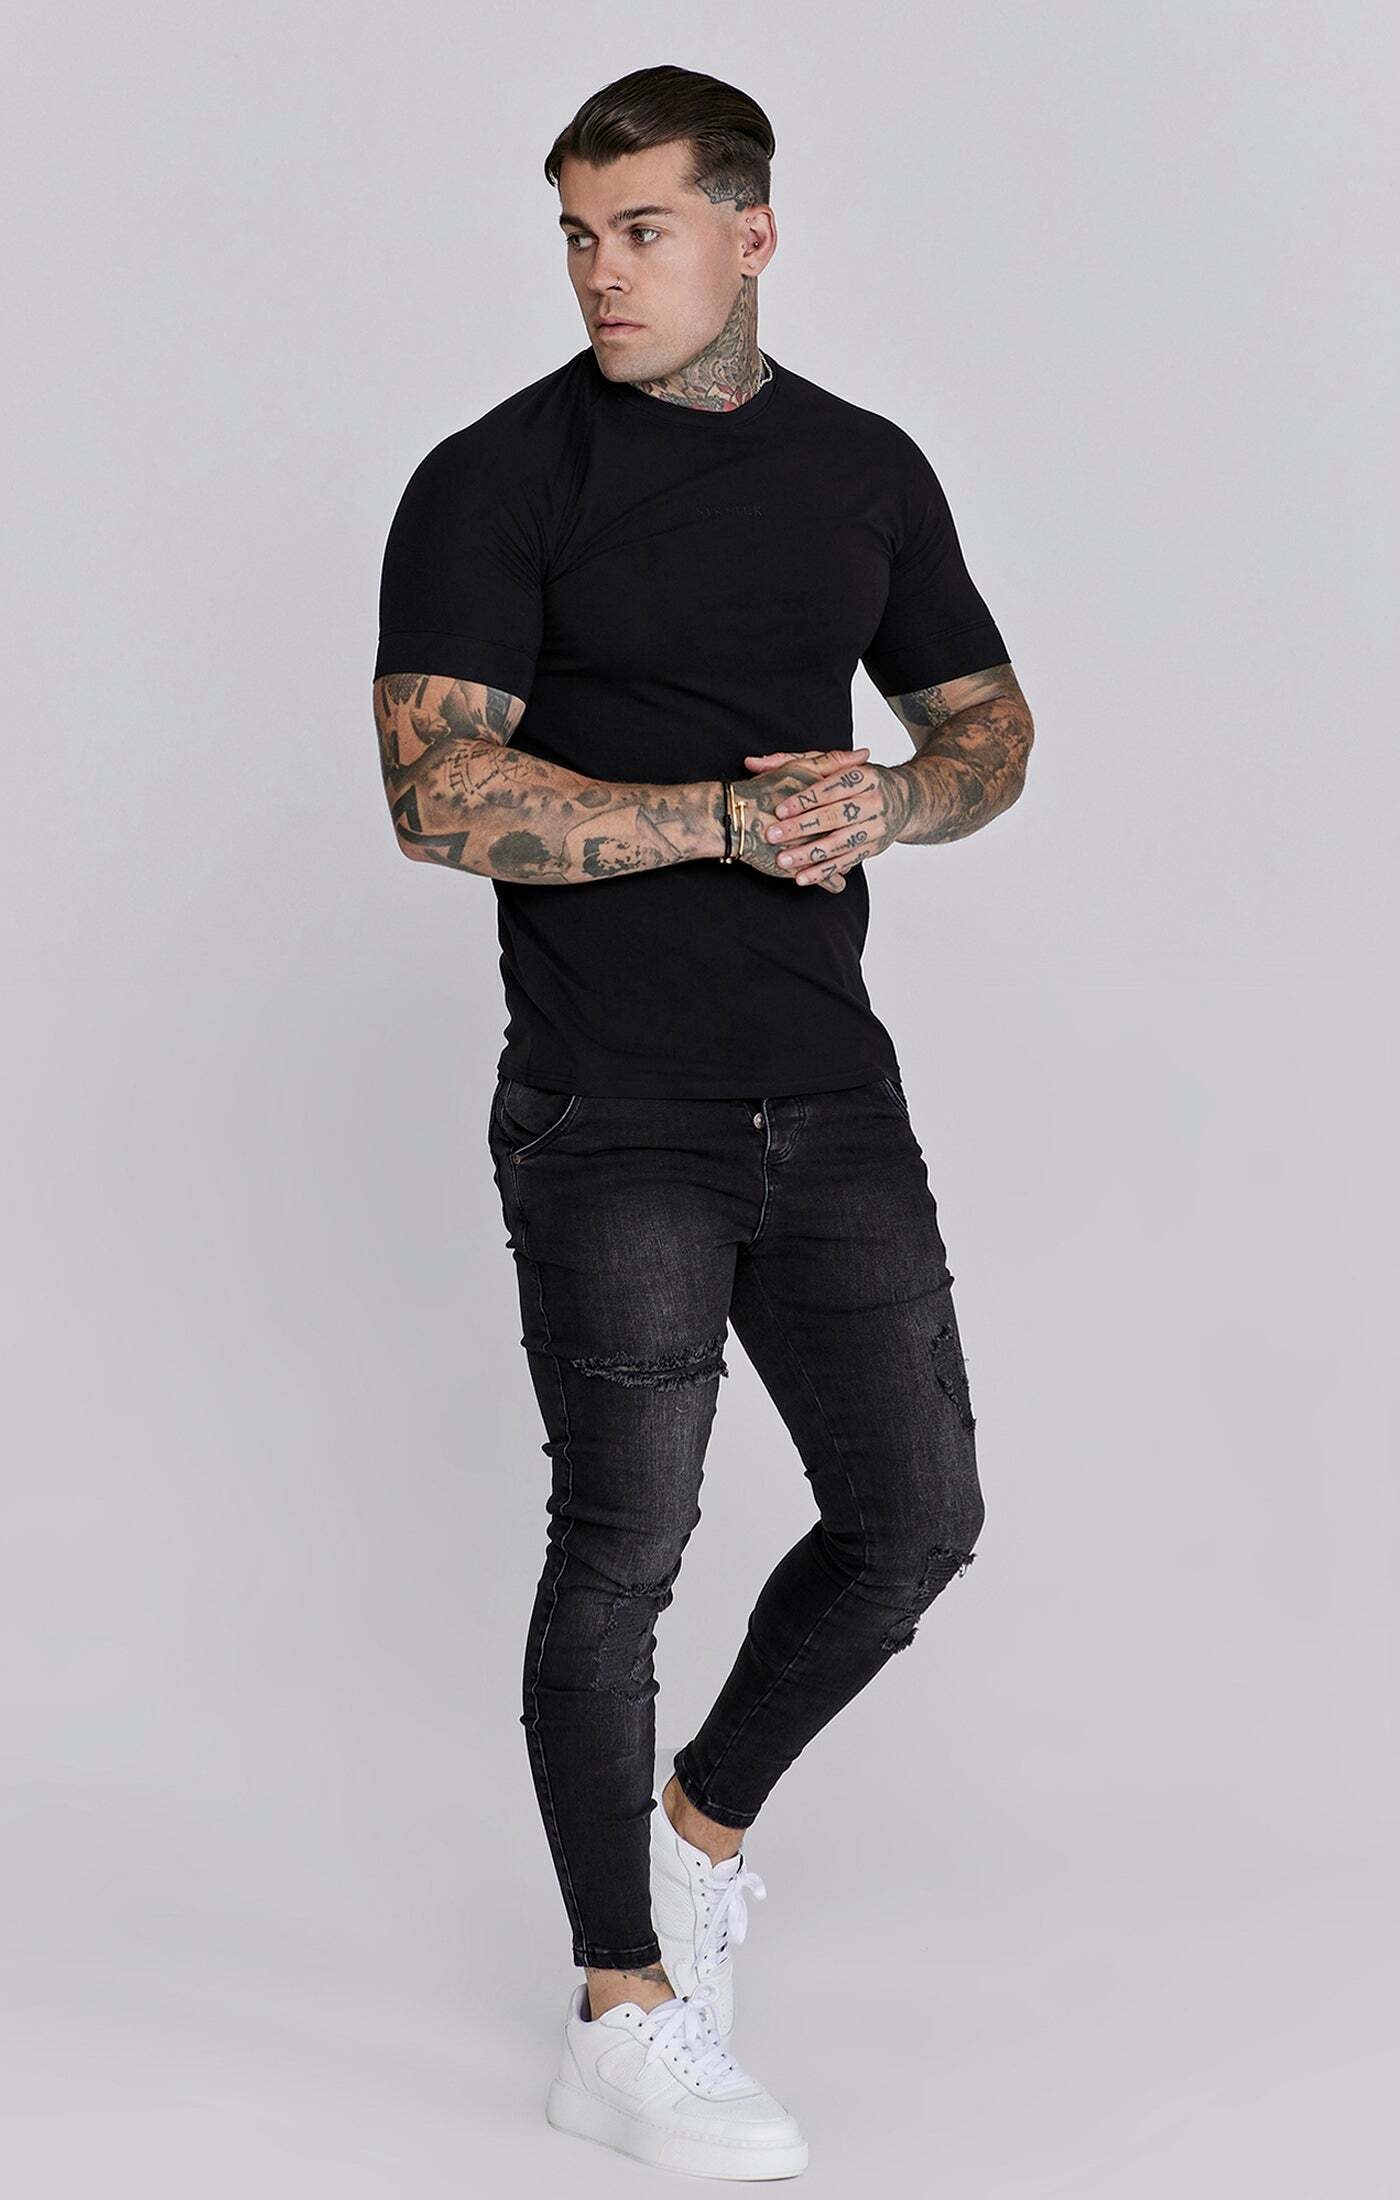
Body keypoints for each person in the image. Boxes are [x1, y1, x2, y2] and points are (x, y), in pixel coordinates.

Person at [372, 62, 1033, 2180]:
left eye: (641, 230)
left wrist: (897, 798)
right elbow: (436, 797)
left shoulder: (865, 468)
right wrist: (724, 819)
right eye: (578, 234)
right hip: (609, 1104)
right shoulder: (494, 478)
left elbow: (984, 722)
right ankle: (619, 2009)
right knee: (622, 1547)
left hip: (832, 1089)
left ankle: (696, 1833)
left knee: (915, 1516)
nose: (601, 272)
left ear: (752, 233)